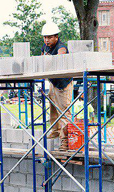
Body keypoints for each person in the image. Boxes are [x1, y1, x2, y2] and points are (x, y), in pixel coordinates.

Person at [41, 22, 72, 151]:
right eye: (45, 37)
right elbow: (42, 59)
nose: (46, 40)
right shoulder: (45, 47)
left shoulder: (61, 47)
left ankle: (65, 141)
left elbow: (59, 58)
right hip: (53, 82)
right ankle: (55, 131)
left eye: (49, 37)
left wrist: (50, 59)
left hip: (63, 84)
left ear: (56, 37)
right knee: (53, 109)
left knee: (64, 112)